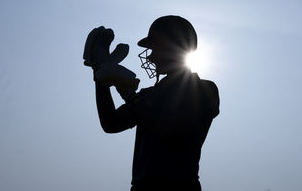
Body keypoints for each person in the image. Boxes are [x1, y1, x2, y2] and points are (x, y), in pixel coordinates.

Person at [86, 15, 219, 191]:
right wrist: (100, 74)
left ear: (173, 49)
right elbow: (111, 123)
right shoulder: (148, 95)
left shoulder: (205, 89)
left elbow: (169, 128)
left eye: (155, 49)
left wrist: (130, 96)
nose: (150, 57)